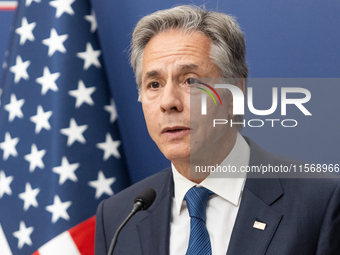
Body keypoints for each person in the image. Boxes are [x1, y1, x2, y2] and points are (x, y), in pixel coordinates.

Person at [95, 5, 340, 255]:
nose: (168, 102)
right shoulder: (118, 216)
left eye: (190, 80)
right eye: (154, 84)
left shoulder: (320, 201)